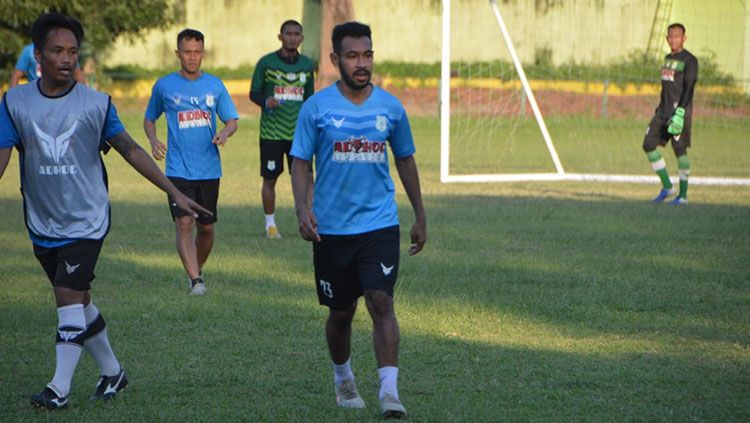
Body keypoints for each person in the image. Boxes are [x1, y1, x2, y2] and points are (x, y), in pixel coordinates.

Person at [0, 13, 209, 410]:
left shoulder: (96, 104)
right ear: (37, 55)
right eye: (57, 50)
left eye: (72, 51)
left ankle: (58, 390)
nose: (66, 58)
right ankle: (113, 372)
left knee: (66, 296)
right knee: (80, 300)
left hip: (87, 218)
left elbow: (131, 150)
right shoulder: (15, 104)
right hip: (42, 221)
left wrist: (174, 192)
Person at [290, 21, 427, 418]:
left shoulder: (390, 107)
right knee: (341, 313)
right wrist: (303, 209)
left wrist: (420, 214)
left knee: (381, 301)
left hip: (380, 224)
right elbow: (300, 163)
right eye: (352, 56)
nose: (361, 63)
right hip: (331, 228)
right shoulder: (316, 108)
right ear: (335, 60)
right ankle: (343, 377)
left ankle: (389, 392)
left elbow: (405, 159)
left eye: (367, 54)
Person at [144, 29, 239, 295]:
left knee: (206, 229)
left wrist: (224, 132)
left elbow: (232, 121)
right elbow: (149, 119)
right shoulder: (164, 86)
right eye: (187, 52)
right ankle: (196, 280)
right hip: (177, 169)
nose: (193, 57)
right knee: (184, 224)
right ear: (178, 54)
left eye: (197, 52)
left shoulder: (215, 85)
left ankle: (196, 269)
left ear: (203, 54)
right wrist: (153, 141)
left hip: (209, 168)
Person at [250, 19, 315, 239]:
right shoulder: (266, 63)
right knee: (270, 179)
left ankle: (308, 220)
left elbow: (310, 99)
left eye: (297, 34)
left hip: (299, 134)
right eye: (288, 34)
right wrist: (266, 101)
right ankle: (270, 225)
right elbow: (254, 93)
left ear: (302, 38)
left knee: (306, 178)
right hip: (272, 133)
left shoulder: (307, 65)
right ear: (280, 37)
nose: (293, 38)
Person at [643, 23, 698, 205]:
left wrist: (681, 112)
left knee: (679, 151)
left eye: (677, 36)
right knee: (649, 144)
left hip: (678, 114)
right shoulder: (667, 58)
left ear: (684, 38)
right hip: (662, 112)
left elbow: (689, 86)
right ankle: (667, 187)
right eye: (670, 37)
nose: (673, 39)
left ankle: (682, 196)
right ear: (667, 39)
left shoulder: (690, 60)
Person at [10, 42, 87, 87]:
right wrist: (13, 98)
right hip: (36, 95)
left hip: (61, 94)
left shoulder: (64, 49)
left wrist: (85, 97)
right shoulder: (29, 50)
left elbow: (77, 74)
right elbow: (17, 75)